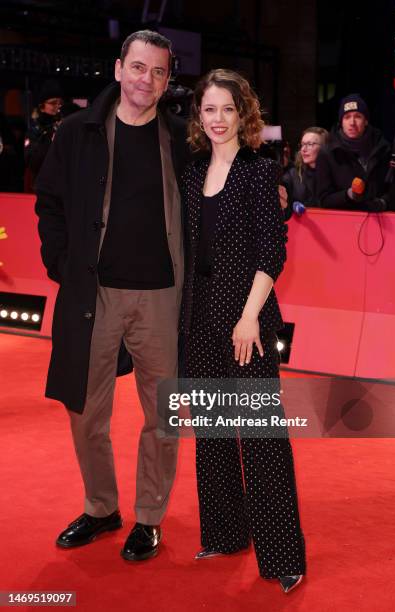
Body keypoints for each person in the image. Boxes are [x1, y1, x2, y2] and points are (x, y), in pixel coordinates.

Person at [35, 30, 189, 561]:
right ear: (120, 67)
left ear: (168, 81)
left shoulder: (181, 139)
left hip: (163, 297)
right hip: (92, 296)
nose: (148, 79)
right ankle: (101, 506)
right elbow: (49, 203)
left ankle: (148, 517)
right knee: (85, 410)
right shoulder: (77, 133)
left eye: (159, 72)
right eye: (139, 67)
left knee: (163, 414)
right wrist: (62, 264)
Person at [180, 69, 306, 593]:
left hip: (246, 317)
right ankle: (226, 535)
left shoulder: (259, 170)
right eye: (208, 109)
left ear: (243, 113)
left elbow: (271, 251)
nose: (217, 119)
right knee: (210, 434)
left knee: (261, 436)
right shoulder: (191, 172)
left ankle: (282, 556)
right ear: (199, 116)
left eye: (227, 109)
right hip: (198, 316)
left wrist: (250, 316)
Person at [316, 93, 391, 211]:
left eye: (358, 116)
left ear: (366, 121)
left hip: (381, 221)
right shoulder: (327, 153)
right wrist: (349, 195)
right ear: (341, 122)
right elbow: (324, 199)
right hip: (345, 222)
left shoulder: (383, 148)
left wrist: (383, 202)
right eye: (347, 117)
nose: (352, 122)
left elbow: (393, 187)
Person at [24, 80, 64, 191]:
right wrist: (49, 140)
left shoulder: (63, 124)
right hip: (42, 185)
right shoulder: (35, 129)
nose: (57, 106)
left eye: (59, 103)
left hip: (62, 184)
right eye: (53, 103)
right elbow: (32, 162)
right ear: (42, 106)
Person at [282, 126, 328, 219]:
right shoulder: (292, 175)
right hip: (303, 228)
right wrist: (291, 206)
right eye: (302, 144)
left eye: (310, 144)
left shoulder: (335, 174)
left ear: (325, 147)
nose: (303, 149)